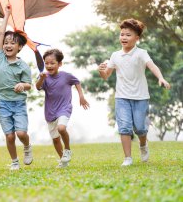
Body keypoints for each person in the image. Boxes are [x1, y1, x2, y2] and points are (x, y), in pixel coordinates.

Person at [98, 19, 171, 166]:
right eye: (122, 34)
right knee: (124, 127)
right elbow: (106, 76)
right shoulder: (115, 55)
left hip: (140, 97)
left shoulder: (141, 53)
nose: (123, 37)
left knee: (140, 128)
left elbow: (152, 66)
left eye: (128, 35)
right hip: (122, 97)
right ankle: (128, 158)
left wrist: (161, 78)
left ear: (137, 38)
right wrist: (101, 71)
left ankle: (143, 145)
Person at [35, 49, 89, 168]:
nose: (49, 66)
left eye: (52, 63)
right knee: (55, 139)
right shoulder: (44, 77)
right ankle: (63, 160)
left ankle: (68, 150)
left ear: (59, 64)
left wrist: (81, 96)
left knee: (61, 128)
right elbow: (37, 87)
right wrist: (42, 78)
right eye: (46, 63)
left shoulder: (66, 76)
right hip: (50, 112)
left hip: (64, 108)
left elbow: (77, 82)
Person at [0, 5, 33, 171]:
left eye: (12, 43)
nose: (8, 45)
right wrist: (7, 14)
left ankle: (27, 146)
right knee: (9, 136)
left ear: (20, 47)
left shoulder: (23, 66)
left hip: (18, 104)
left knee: (21, 134)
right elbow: (1, 33)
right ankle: (15, 161)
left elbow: (29, 85)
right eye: (6, 43)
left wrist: (22, 85)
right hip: (3, 103)